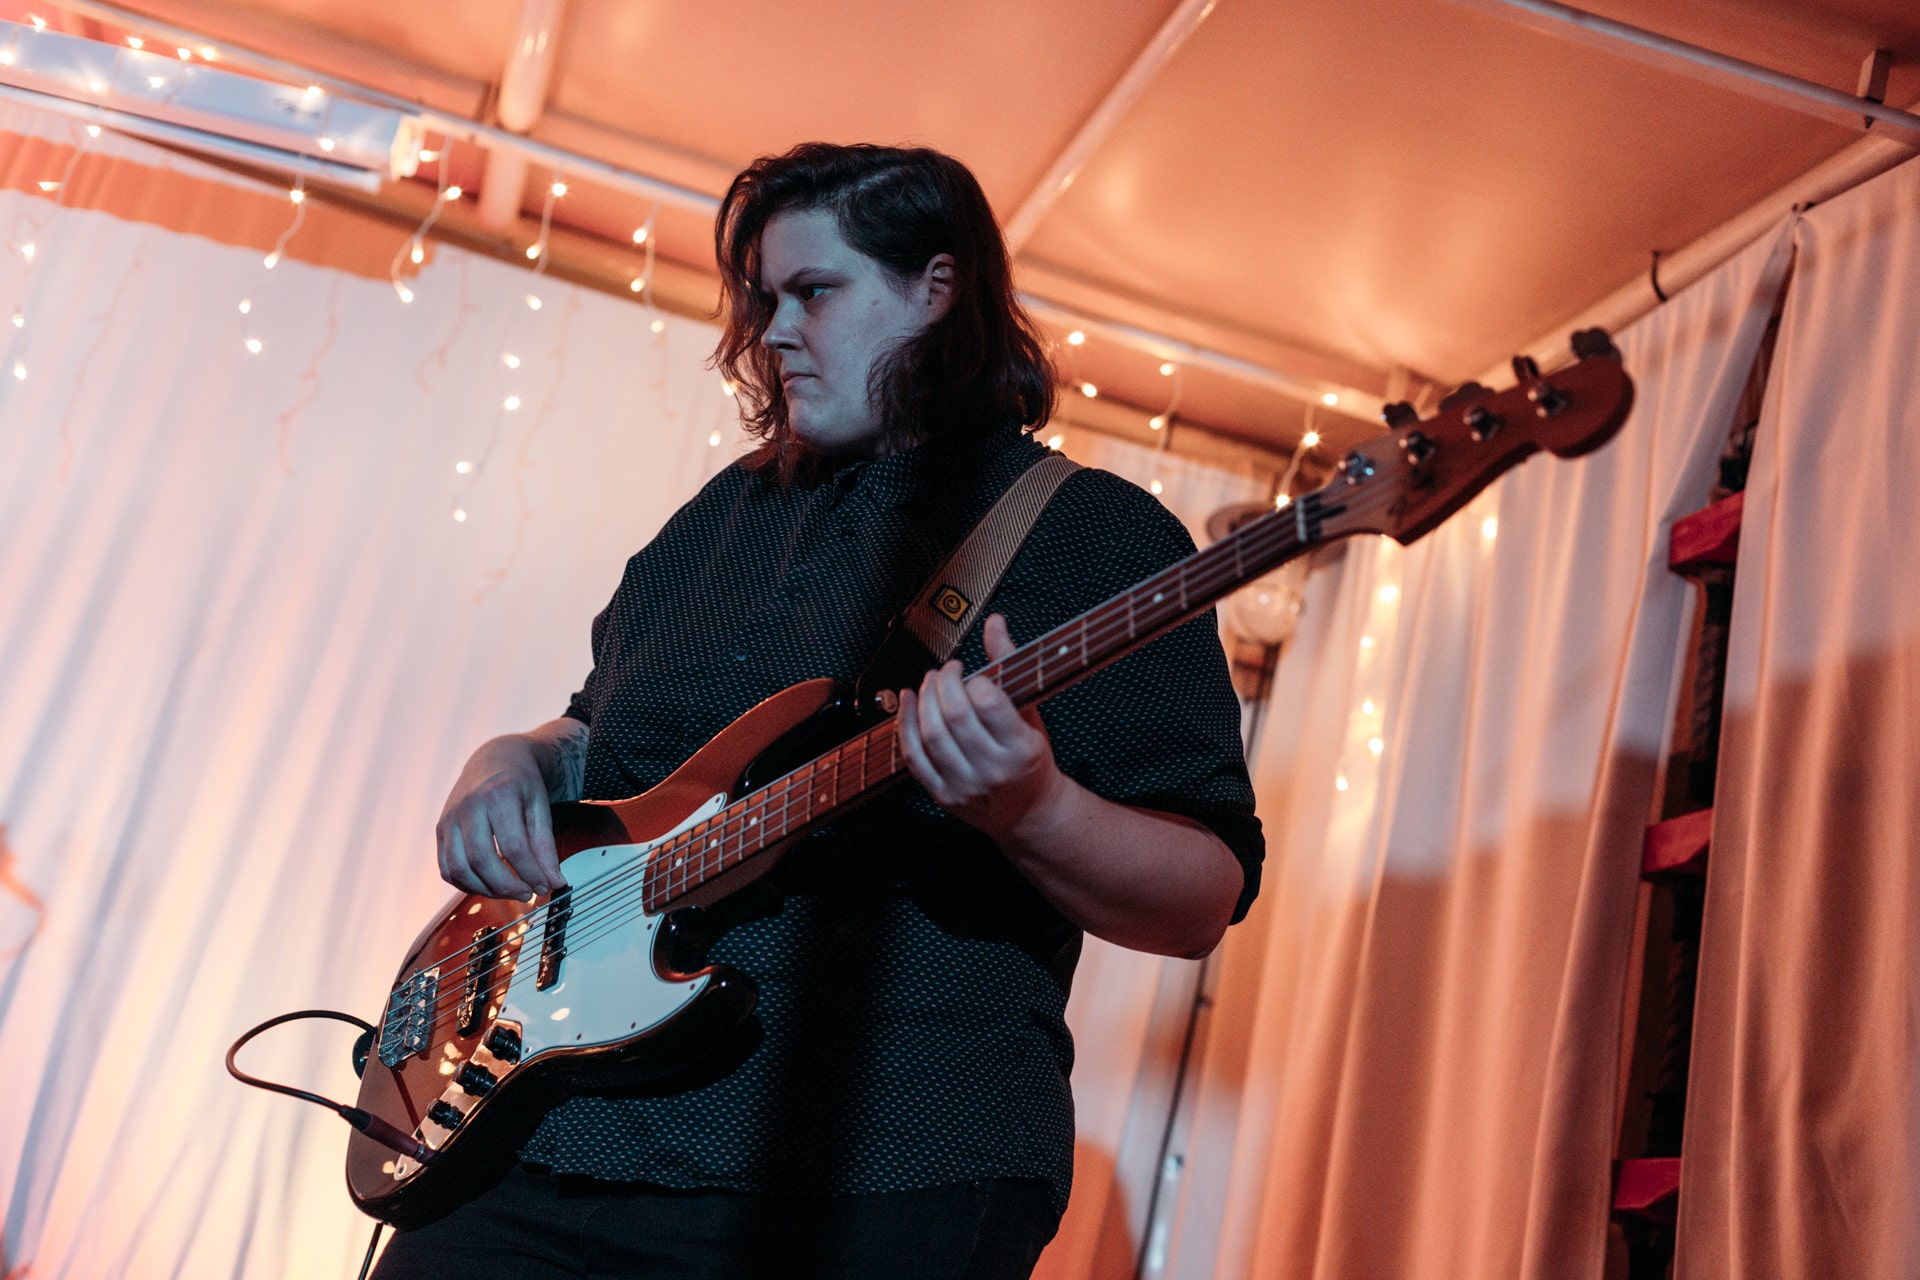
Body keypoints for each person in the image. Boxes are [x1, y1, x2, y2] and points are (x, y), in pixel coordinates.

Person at [371, 143, 1262, 1279]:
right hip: (543, 1140)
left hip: (874, 1172)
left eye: (814, 293)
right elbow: (604, 730)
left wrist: (1033, 806)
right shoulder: (721, 515)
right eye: (766, 300)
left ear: (936, 289)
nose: (776, 331)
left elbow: (1201, 894)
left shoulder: (1092, 533)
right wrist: (515, 757)